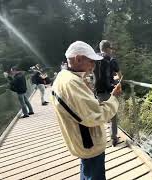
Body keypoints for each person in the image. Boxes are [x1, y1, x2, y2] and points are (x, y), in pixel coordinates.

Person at [51, 41, 122, 180]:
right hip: (89, 143)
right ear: (78, 59)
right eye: (91, 62)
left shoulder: (64, 77)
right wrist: (113, 98)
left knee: (87, 171)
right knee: (94, 174)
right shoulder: (71, 83)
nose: (93, 66)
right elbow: (95, 116)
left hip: (82, 140)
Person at [93, 40, 122, 146]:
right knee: (113, 114)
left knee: (101, 114)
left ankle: (99, 138)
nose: (111, 51)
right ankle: (114, 138)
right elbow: (120, 75)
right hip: (109, 91)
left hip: (97, 91)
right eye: (110, 49)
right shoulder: (111, 60)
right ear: (108, 48)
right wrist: (115, 79)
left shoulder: (94, 58)